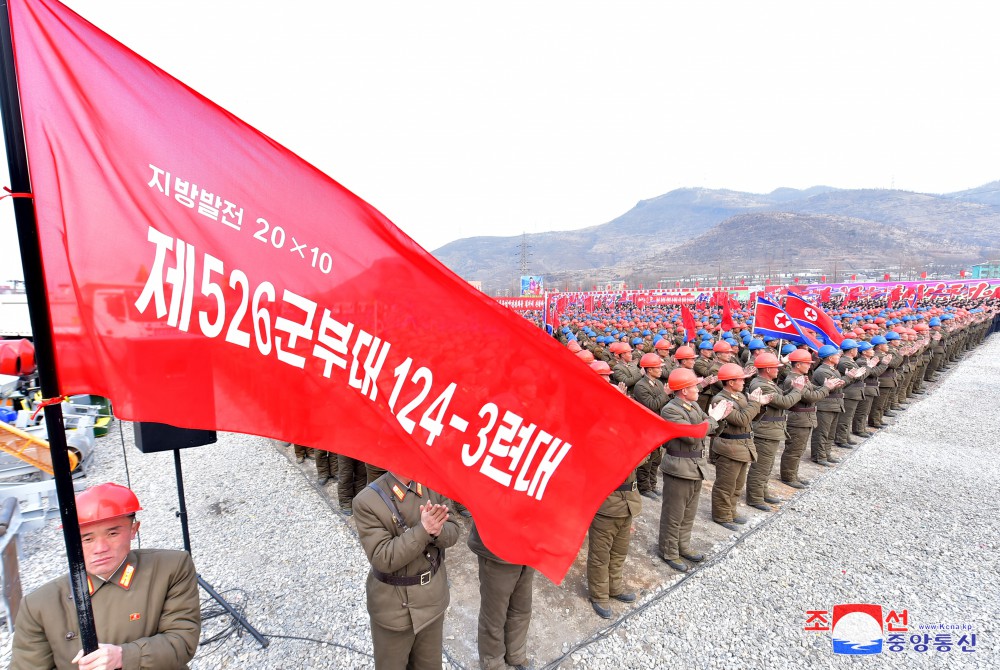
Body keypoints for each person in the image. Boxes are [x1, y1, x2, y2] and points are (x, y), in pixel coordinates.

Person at [12, 483, 200, 670]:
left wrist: (124, 656)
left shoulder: (169, 568)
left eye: (112, 533)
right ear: (70, 540)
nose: (100, 548)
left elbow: (182, 640)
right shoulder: (39, 605)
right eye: (87, 538)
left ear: (134, 530)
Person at [353, 471, 460, 669]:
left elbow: (453, 532)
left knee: (429, 665)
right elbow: (383, 557)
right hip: (394, 608)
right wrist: (423, 529)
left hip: (432, 599)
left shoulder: (434, 483)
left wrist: (439, 531)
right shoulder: (367, 501)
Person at [658, 368, 730, 571]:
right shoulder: (671, 410)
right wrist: (712, 419)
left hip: (695, 466)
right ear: (683, 391)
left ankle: (683, 546)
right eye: (693, 386)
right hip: (679, 467)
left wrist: (720, 418)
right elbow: (692, 435)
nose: (698, 389)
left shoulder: (693, 406)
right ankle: (668, 551)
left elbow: (708, 429)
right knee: (674, 513)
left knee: (688, 512)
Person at [709, 363, 769, 530]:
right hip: (729, 446)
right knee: (726, 485)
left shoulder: (738, 396)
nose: (744, 382)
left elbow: (750, 418)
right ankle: (722, 515)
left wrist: (760, 405)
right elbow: (741, 419)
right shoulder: (720, 399)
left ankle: (731, 511)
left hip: (742, 445)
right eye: (740, 380)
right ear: (730, 382)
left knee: (737, 484)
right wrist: (755, 404)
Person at [467, 522, 534, 670]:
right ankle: (492, 663)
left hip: (527, 544)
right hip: (497, 549)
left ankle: (515, 654)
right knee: (494, 616)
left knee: (521, 607)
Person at [745, 353, 805, 511]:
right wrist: (797, 390)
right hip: (765, 430)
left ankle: (762, 491)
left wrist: (793, 390)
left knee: (767, 465)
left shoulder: (766, 382)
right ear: (767, 369)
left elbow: (781, 397)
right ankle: (755, 497)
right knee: (761, 466)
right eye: (775, 368)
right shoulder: (761, 385)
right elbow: (785, 402)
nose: (778, 370)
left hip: (771, 430)